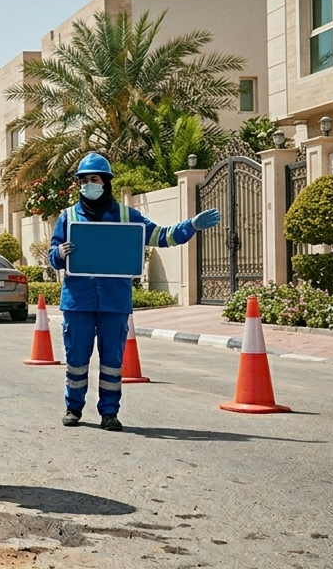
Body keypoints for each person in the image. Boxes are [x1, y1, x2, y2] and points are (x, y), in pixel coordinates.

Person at [49, 152, 221, 431]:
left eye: (93, 179)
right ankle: (73, 408)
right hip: (77, 300)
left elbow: (161, 236)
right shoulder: (67, 217)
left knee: (112, 362)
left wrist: (191, 226)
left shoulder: (128, 216)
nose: (88, 185)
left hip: (114, 301)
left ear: (105, 182)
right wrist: (58, 252)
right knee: (76, 359)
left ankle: (109, 413)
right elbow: (52, 255)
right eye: (83, 180)